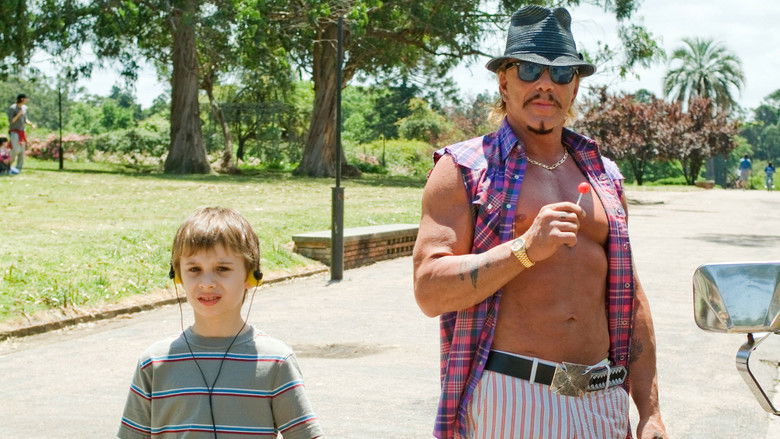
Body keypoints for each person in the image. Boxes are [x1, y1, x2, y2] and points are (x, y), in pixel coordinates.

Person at [412, 6, 667, 439]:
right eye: (530, 70)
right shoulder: (464, 169)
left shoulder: (603, 175)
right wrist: (525, 249)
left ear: (575, 86)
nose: (546, 84)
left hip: (602, 397)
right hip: (516, 397)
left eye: (561, 73)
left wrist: (650, 410)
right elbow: (429, 290)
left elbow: (631, 297)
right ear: (504, 82)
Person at [118, 207, 323, 439]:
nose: (206, 282)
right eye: (194, 269)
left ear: (251, 276)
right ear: (178, 276)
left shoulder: (275, 361)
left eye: (222, 268)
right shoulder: (154, 363)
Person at [6, 93, 35, 173]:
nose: (27, 100)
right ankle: (6, 166)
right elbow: (11, 121)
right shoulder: (13, 108)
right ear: (22, 99)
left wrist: (31, 124)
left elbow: (25, 119)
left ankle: (18, 168)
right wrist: (18, 114)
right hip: (14, 132)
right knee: (15, 150)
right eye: (26, 98)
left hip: (22, 132)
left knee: (22, 151)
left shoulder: (24, 108)